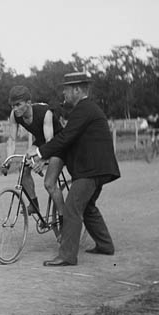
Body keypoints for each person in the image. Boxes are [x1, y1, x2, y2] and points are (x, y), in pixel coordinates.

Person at [26, 72, 120, 266]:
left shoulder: (83, 109)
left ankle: (67, 255)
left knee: (72, 208)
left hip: (91, 170)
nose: (64, 93)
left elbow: (66, 137)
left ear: (77, 89)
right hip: (99, 168)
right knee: (88, 207)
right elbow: (70, 141)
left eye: (67, 89)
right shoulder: (87, 109)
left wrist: (40, 152)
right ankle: (105, 245)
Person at [4, 85, 65, 221]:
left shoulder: (45, 112)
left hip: (58, 142)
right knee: (23, 167)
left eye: (18, 105)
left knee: (49, 184)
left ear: (28, 103)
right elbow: (12, 139)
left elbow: (50, 141)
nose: (15, 109)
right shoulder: (15, 115)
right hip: (42, 141)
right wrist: (8, 160)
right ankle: (33, 203)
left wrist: (42, 160)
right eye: (12, 105)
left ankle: (63, 218)